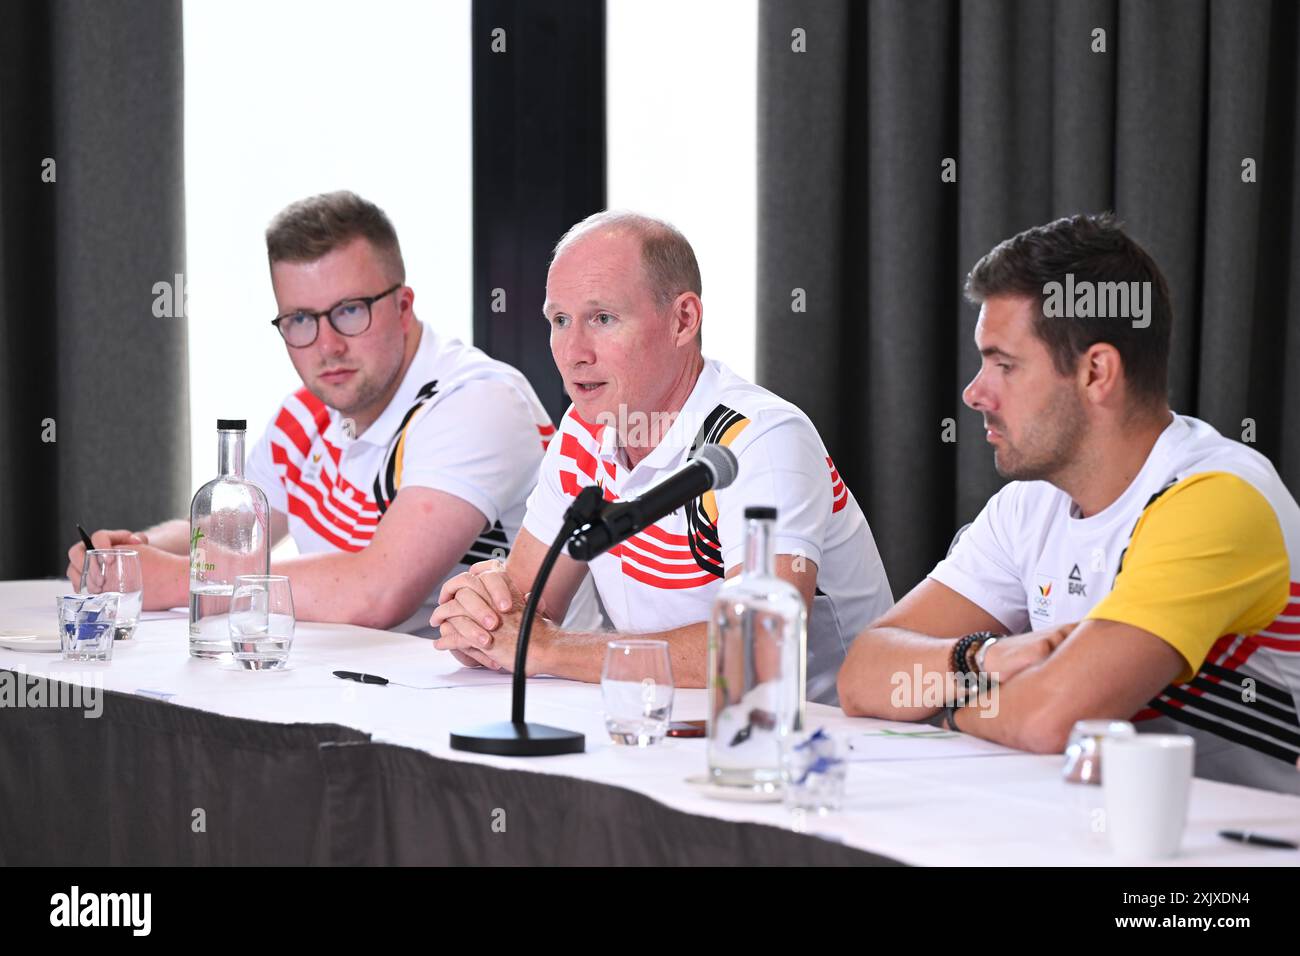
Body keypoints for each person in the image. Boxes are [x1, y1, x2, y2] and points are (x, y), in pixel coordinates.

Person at [838, 213, 1300, 794]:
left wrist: (941, 708)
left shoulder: (1217, 498)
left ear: (1096, 372)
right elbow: (863, 675)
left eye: (1003, 364)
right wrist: (980, 661)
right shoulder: (1026, 506)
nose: (974, 392)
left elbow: (1052, 717)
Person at [430, 211, 893, 702]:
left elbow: (762, 649)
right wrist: (480, 621)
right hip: (678, 726)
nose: (573, 352)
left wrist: (549, 649)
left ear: (683, 320)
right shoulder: (585, 430)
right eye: (560, 320)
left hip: (822, 745)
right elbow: (526, 607)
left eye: (602, 318)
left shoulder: (759, 439)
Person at [68, 190, 556, 635]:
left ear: (403, 307)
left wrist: (179, 579)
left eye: (349, 310)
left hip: (500, 706)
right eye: (300, 319)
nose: (327, 346)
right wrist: (132, 554)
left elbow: (378, 591)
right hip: (370, 692)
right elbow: (232, 538)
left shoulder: (478, 402)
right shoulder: (307, 412)